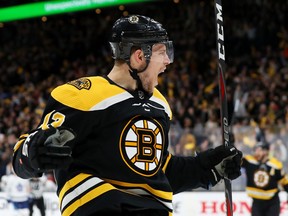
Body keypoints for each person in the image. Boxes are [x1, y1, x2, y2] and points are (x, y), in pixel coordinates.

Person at [12, 14, 242, 216]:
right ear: (139, 57)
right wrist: (32, 153)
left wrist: (205, 168)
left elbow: (156, 171)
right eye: (163, 52)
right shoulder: (82, 96)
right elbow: (22, 159)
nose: (168, 61)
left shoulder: (160, 106)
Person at [241, 141, 288, 216]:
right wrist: (231, 145)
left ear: (266, 151)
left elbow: (284, 181)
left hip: (272, 202)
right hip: (256, 202)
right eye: (255, 150)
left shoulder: (275, 164)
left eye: (259, 150)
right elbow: (236, 161)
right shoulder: (249, 160)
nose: (256, 152)